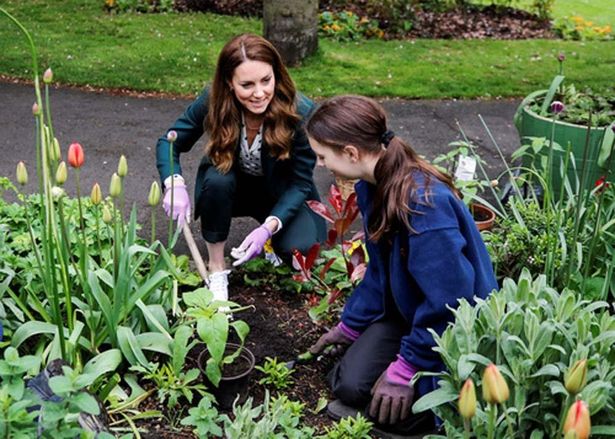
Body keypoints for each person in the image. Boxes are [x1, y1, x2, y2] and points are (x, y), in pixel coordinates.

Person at [306, 95, 497, 435]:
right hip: (410, 315)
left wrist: (408, 367)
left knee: (393, 413)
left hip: (455, 330)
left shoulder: (425, 205)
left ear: (351, 153)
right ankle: (402, 384)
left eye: (322, 156)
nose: (321, 165)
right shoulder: (372, 187)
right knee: (349, 386)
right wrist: (351, 325)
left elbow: (452, 301)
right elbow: (379, 273)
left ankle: (431, 406)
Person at [156, 33, 325, 301]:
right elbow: (170, 141)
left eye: (266, 80)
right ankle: (217, 267)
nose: (259, 93)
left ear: (276, 74)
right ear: (229, 83)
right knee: (218, 180)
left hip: (280, 193)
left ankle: (269, 238)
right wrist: (173, 183)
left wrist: (267, 228)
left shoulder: (299, 112)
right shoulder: (213, 100)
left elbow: (301, 183)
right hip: (228, 189)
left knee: (301, 250)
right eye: (247, 85)